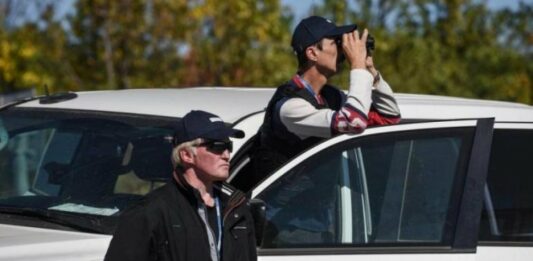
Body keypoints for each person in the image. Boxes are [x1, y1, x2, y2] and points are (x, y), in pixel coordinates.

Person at [253, 16, 401, 183]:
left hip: (318, 203)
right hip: (285, 206)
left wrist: (370, 71)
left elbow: (389, 117)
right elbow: (354, 122)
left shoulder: (330, 97)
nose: (342, 49)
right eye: (336, 42)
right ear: (312, 53)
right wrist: (357, 66)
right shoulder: (290, 106)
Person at [105, 110, 257, 261]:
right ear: (186, 155)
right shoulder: (148, 213)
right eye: (217, 146)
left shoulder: (237, 208)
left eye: (228, 146)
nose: (226, 155)